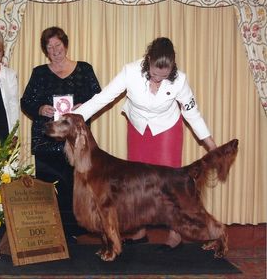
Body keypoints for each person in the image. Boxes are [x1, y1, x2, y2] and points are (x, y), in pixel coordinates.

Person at [74, 37, 217, 246]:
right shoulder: (130, 72)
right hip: (138, 127)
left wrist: (210, 145)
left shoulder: (180, 80)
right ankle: (139, 231)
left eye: (164, 75)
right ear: (148, 60)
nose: (158, 79)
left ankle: (175, 232)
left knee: (170, 183)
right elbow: (103, 98)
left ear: (172, 68)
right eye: (154, 73)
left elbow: (192, 113)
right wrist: (76, 115)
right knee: (137, 183)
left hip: (167, 128)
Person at [20, 26, 101, 241]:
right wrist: (39, 109)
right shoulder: (39, 72)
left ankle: (76, 229)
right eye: (50, 47)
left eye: (58, 45)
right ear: (45, 51)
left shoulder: (84, 69)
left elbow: (99, 98)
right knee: (49, 188)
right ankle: (51, 231)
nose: (55, 50)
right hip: (46, 139)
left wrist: (84, 107)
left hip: (76, 142)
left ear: (65, 44)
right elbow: (26, 101)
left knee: (76, 187)